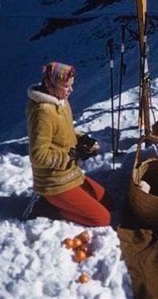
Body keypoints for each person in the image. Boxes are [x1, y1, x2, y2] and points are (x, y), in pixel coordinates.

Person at [26, 62, 112, 226]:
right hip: (53, 182)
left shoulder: (60, 101)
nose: (71, 90)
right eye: (66, 86)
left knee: (108, 201)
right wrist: (69, 157)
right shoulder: (42, 112)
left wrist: (81, 139)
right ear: (51, 85)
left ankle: (57, 202)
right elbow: (38, 155)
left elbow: (63, 131)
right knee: (102, 219)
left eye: (71, 86)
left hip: (69, 173)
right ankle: (46, 207)